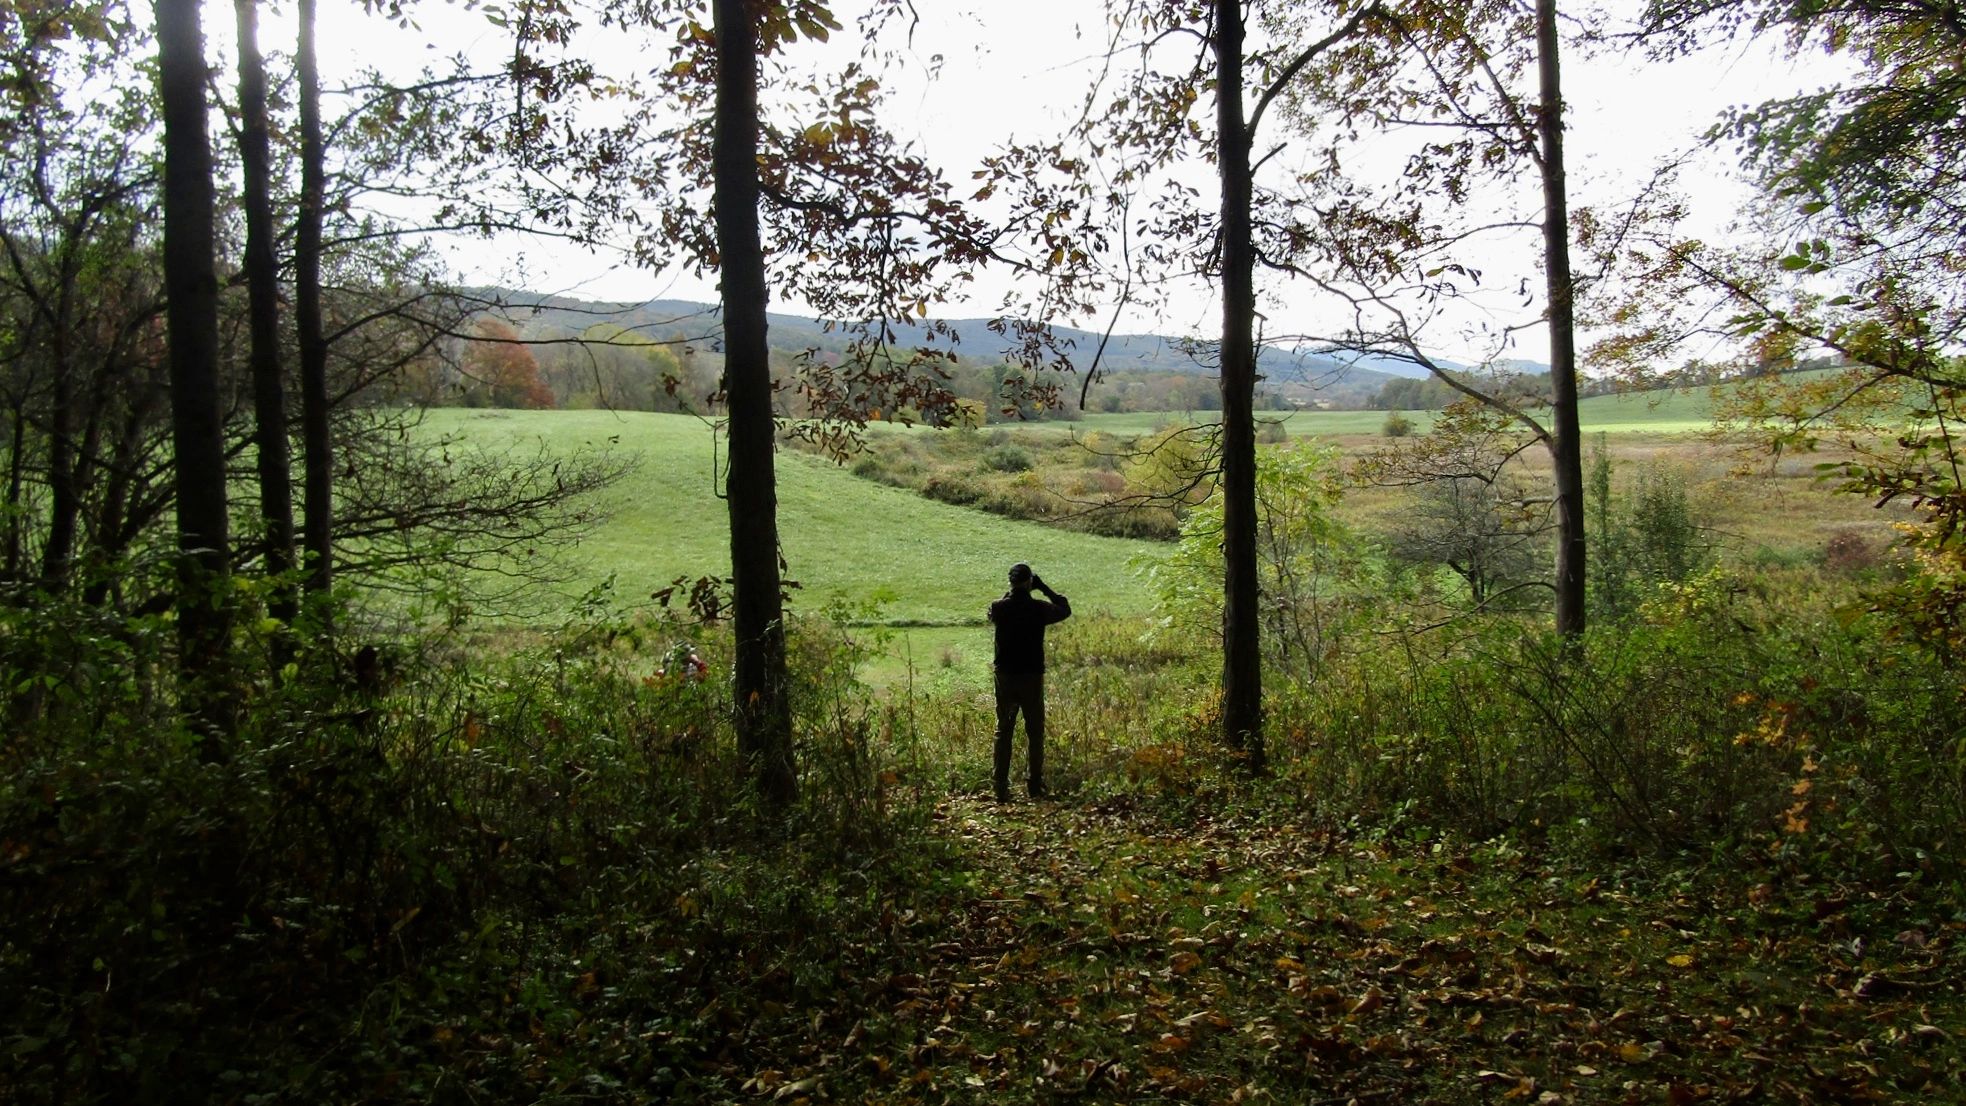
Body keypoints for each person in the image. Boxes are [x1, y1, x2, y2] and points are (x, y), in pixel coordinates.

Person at [987, 562, 1071, 801]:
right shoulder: (1039, 609)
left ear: (1010, 582)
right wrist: (1043, 588)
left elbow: (994, 611)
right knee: (1035, 732)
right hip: (1032, 676)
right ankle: (1034, 785)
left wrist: (1011, 593)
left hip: (1005, 676)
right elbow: (1064, 609)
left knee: (1003, 730)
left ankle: (1000, 787)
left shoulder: (999, 608)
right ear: (1029, 583)